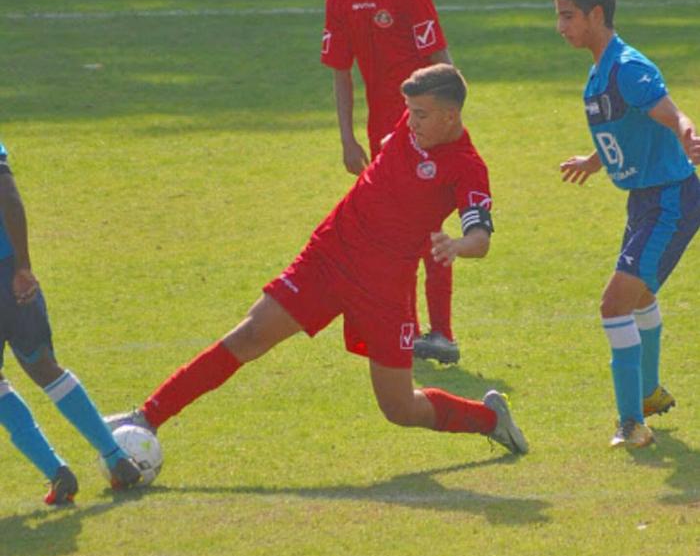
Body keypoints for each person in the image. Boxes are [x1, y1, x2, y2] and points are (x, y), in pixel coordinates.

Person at [106, 65, 528, 458]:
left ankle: (490, 418)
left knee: (399, 408)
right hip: (329, 257)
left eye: (421, 114)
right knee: (251, 334)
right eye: (409, 112)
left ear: (450, 118)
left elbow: (481, 237)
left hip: (384, 288)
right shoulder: (414, 127)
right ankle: (147, 416)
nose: (410, 122)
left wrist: (457, 245)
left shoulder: (467, 167)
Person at [552, 0, 700, 448]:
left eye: (568, 16)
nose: (562, 27)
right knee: (639, 297)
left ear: (597, 14)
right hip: (645, 201)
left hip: (670, 200)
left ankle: (632, 422)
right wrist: (594, 161)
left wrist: (685, 130)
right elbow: (627, 128)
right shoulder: (601, 69)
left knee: (615, 303)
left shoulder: (628, 68)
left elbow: (665, 109)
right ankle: (650, 392)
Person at [322, 0, 459, 364]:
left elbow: (441, 58)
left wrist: (447, 124)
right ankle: (409, 330)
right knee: (392, 233)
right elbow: (341, 73)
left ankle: (442, 333)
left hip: (423, 129)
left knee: (429, 226)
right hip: (382, 136)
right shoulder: (338, 1)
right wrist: (347, 138)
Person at [0, 140, 141, 505]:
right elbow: (9, 197)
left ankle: (57, 471)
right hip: (9, 273)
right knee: (43, 366)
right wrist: (23, 266)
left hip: (7, 274)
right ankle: (116, 459)